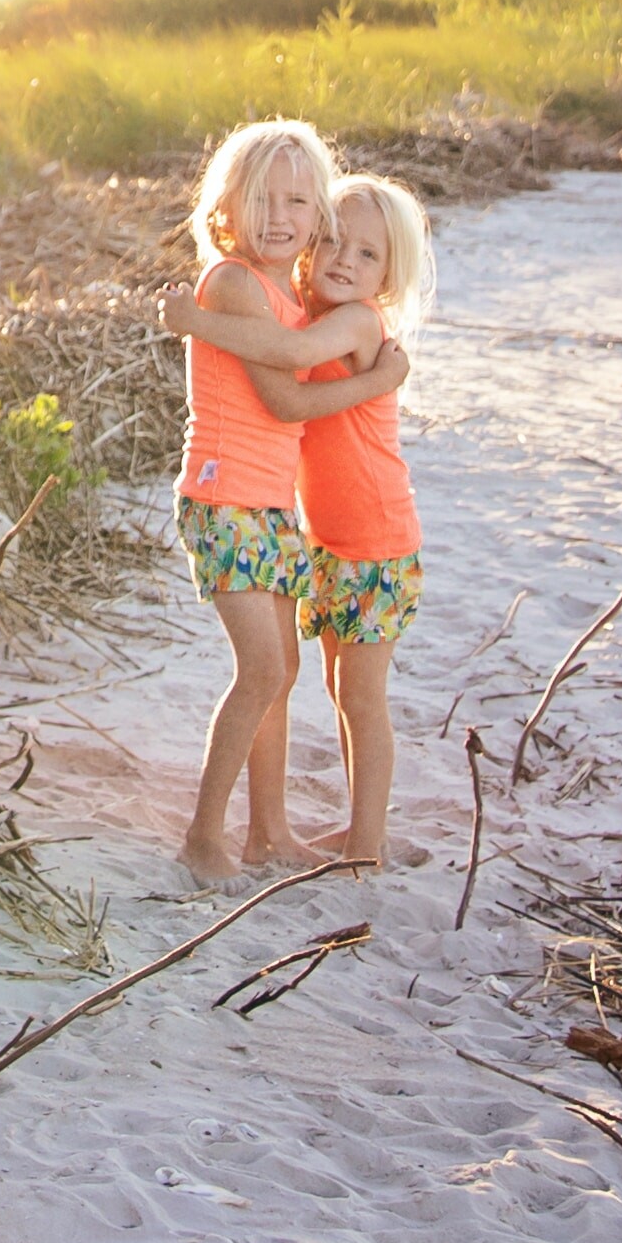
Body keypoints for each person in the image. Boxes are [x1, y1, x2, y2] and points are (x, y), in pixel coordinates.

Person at [171, 118, 403, 879]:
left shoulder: (291, 296)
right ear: (226, 208)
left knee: (283, 674)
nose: (279, 218)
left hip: (270, 508)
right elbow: (286, 402)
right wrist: (382, 379)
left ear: (318, 218)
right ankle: (207, 836)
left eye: (298, 202)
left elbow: (300, 349)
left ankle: (267, 832)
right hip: (224, 496)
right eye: (261, 200)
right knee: (264, 671)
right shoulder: (236, 283)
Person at [277, 174, 436, 863]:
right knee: (339, 688)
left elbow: (294, 370)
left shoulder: (358, 323)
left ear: (387, 276)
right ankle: (360, 826)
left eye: (367, 255)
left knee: (362, 696)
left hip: (377, 538)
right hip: (332, 540)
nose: (345, 260)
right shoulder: (311, 311)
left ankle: (367, 842)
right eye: (335, 241)